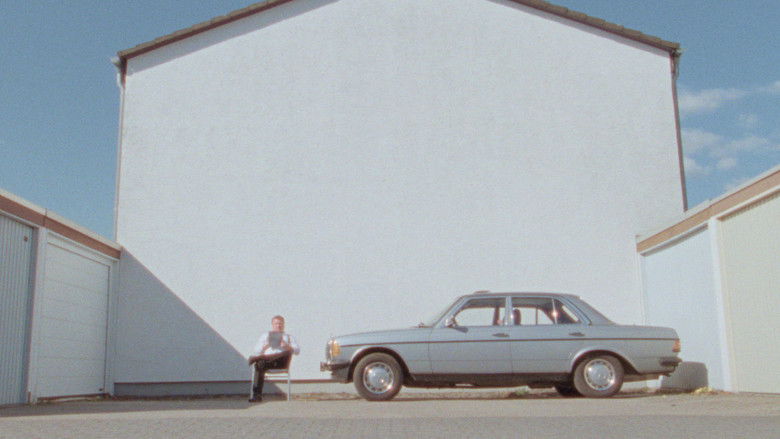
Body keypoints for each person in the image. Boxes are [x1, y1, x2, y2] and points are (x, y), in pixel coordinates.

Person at [248, 315, 300, 402]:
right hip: (268, 363)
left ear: (283, 324)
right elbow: (256, 351)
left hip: (281, 362)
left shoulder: (288, 337)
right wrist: (266, 345)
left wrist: (287, 346)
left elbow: (297, 351)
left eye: (280, 324)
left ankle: (259, 358)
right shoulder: (265, 336)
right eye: (276, 324)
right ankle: (257, 396)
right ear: (272, 325)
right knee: (259, 364)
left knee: (287, 352)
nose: (278, 326)